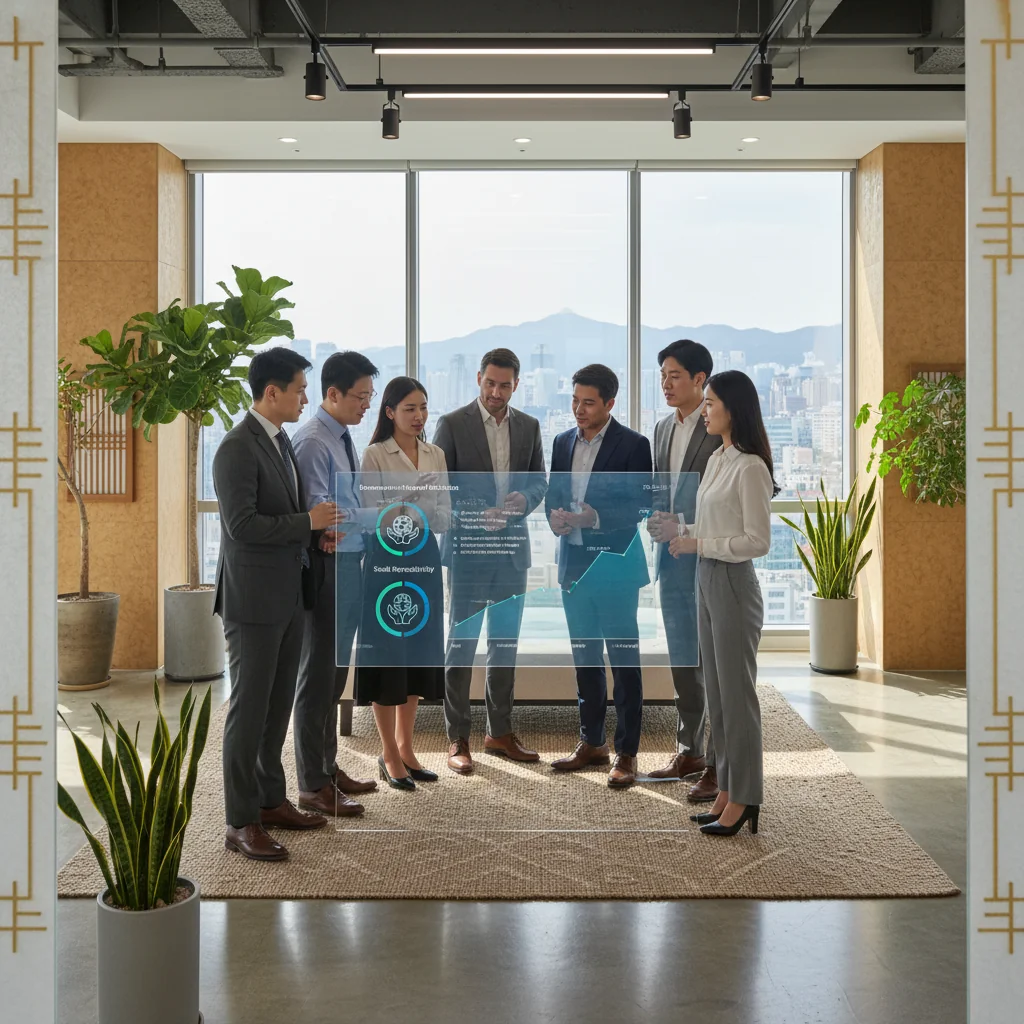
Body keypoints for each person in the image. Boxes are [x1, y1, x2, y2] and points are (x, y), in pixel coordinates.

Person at [213, 347, 344, 862]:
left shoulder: (281, 439)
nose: (305, 399)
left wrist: (316, 533)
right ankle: (240, 821)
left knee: (276, 708)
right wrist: (308, 522)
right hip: (253, 602)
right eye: (299, 390)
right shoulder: (236, 447)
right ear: (272, 392)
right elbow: (240, 526)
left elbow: (284, 517)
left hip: (289, 595)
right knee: (248, 713)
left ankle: (270, 802)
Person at [668, 369, 776, 836]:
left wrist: (699, 544)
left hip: (733, 584)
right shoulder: (717, 459)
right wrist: (683, 532)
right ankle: (728, 790)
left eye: (711, 403)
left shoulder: (751, 467)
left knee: (737, 698)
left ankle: (746, 796)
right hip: (706, 578)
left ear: (734, 408)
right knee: (717, 695)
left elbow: (757, 541)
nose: (704, 411)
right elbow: (713, 525)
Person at [432, 348, 547, 775]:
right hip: (468, 551)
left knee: (505, 644)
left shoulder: (530, 426)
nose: (496, 392)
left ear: (516, 385)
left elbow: (539, 481)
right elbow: (440, 486)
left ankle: (499, 732)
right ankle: (457, 737)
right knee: (461, 644)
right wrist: (475, 513)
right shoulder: (452, 424)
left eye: (505, 385)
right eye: (490, 383)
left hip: (511, 552)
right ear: (478, 379)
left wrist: (523, 502)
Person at [547, 364, 653, 789]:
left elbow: (641, 505)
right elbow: (553, 495)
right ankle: (592, 742)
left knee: (624, 662)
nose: (579, 409)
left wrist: (596, 518)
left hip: (614, 569)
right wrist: (555, 518)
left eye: (588, 403)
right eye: (575, 400)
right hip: (573, 565)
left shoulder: (634, 445)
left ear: (610, 403)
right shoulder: (561, 442)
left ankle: (627, 752)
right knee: (585, 659)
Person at [291, 351, 380, 818]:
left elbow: (344, 514)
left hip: (350, 563)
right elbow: (325, 518)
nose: (367, 405)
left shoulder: (340, 437)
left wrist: (357, 519)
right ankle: (312, 784)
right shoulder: (313, 442)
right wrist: (380, 515)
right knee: (319, 678)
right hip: (328, 567)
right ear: (333, 394)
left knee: (335, 674)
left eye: (370, 397)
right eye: (360, 397)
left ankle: (326, 769)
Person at [356, 377, 450, 791]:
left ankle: (407, 748)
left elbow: (444, 517)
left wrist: (421, 511)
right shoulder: (375, 454)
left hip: (424, 555)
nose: (419, 416)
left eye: (423, 407)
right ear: (390, 412)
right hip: (386, 559)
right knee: (388, 653)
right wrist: (409, 501)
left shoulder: (435, 454)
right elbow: (370, 518)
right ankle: (388, 754)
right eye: (410, 408)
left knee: (417, 652)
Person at [645, 340, 722, 803]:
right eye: (662, 376)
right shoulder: (661, 429)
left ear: (699, 379)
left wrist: (685, 523)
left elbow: (738, 497)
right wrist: (657, 519)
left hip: (710, 558)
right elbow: (661, 488)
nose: (666, 384)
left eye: (674, 375)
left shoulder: (720, 427)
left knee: (712, 662)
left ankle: (717, 761)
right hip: (670, 560)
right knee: (682, 660)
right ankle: (689, 750)